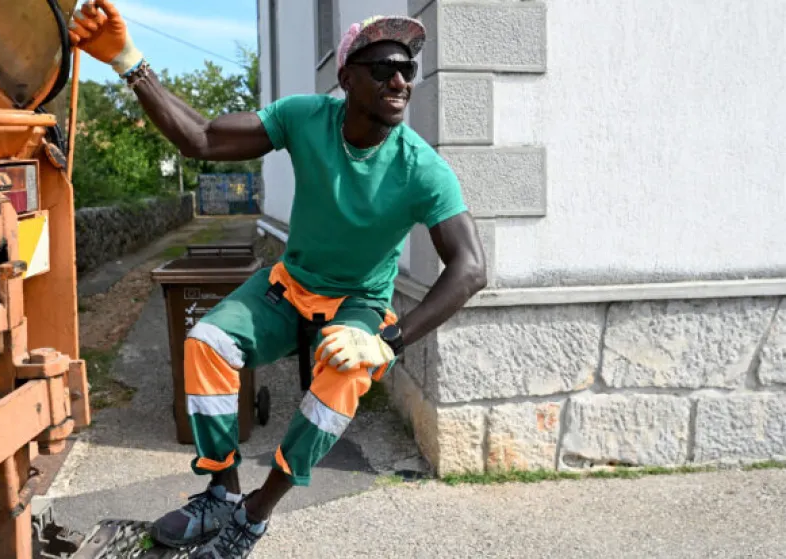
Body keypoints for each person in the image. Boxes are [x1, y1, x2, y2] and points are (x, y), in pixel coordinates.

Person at [69, 2, 488, 557]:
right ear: (346, 78)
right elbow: (201, 139)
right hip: (290, 285)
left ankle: (254, 517)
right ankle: (221, 491)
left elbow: (470, 268)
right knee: (207, 343)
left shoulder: (421, 168)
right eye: (382, 65)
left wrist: (387, 340)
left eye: (408, 67)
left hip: (358, 305)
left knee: (340, 379)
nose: (399, 78)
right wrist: (127, 60)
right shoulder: (305, 117)